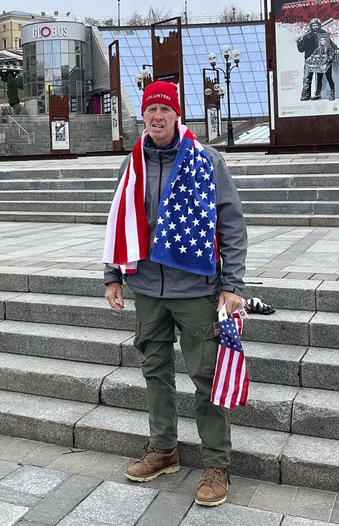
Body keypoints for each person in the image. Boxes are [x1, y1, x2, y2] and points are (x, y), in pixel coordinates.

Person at [102, 81, 248, 508]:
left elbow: (231, 224)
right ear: (143, 117)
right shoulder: (132, 164)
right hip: (147, 287)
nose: (158, 116)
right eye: (151, 110)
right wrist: (114, 275)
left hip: (196, 288)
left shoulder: (206, 160)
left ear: (176, 115)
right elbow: (118, 221)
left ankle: (216, 464)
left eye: (165, 109)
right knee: (155, 369)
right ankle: (163, 449)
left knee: (205, 377)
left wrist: (232, 285)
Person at [297, 18, 339, 101]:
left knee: (320, 77)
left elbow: (330, 43)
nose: (315, 27)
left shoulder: (323, 34)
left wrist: (335, 48)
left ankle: (318, 93)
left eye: (316, 25)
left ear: (319, 25)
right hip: (309, 60)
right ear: (311, 26)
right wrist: (299, 43)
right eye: (313, 25)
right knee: (307, 78)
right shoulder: (306, 35)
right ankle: (305, 95)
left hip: (321, 59)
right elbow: (301, 49)